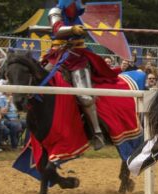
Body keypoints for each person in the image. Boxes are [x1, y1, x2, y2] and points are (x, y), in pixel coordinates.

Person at [41, 0, 121, 150]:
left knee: (85, 97)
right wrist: (73, 29)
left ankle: (97, 133)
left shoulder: (81, 14)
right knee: (40, 82)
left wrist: (85, 29)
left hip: (77, 57)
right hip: (58, 54)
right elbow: (57, 30)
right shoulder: (55, 12)